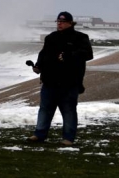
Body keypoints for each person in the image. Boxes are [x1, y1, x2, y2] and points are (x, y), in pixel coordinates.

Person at [28, 11, 93, 145]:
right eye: (58, 21)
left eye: (62, 22)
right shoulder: (51, 37)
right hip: (49, 81)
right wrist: (38, 67)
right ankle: (39, 135)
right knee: (45, 109)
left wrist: (69, 55)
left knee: (69, 110)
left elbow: (87, 54)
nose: (59, 24)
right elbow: (43, 54)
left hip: (69, 82)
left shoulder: (80, 38)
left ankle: (68, 138)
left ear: (70, 23)